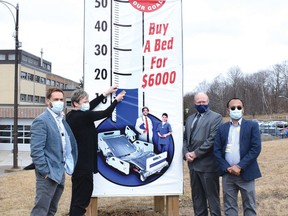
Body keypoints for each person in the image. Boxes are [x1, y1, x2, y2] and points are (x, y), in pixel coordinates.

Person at [66, 85, 125, 216]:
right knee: (82, 200)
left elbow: (91, 106)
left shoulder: (72, 115)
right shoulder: (82, 117)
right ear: (76, 103)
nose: (87, 104)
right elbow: (105, 113)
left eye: (87, 101)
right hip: (83, 166)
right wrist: (116, 100)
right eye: (84, 102)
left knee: (76, 198)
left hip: (78, 165)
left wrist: (105, 93)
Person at [30, 87, 78, 216]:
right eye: (56, 99)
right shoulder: (41, 120)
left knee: (52, 210)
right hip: (48, 174)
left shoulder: (61, 120)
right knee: (40, 210)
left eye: (61, 99)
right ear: (48, 101)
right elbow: (36, 150)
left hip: (59, 171)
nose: (59, 102)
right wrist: (45, 171)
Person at [214, 98, 262, 216]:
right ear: (228, 111)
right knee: (229, 207)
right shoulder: (222, 128)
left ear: (243, 109)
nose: (236, 110)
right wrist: (227, 168)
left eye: (239, 107)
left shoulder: (252, 126)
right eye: (233, 108)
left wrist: (240, 166)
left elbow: (255, 148)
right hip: (228, 174)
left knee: (249, 206)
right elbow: (216, 150)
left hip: (246, 173)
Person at [183, 92, 222, 216]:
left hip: (208, 166)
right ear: (194, 103)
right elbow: (184, 139)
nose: (201, 104)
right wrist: (186, 153)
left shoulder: (216, 118)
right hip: (193, 166)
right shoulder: (189, 119)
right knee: (197, 198)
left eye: (204, 102)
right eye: (199, 102)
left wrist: (196, 153)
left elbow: (212, 139)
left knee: (212, 199)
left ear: (208, 102)